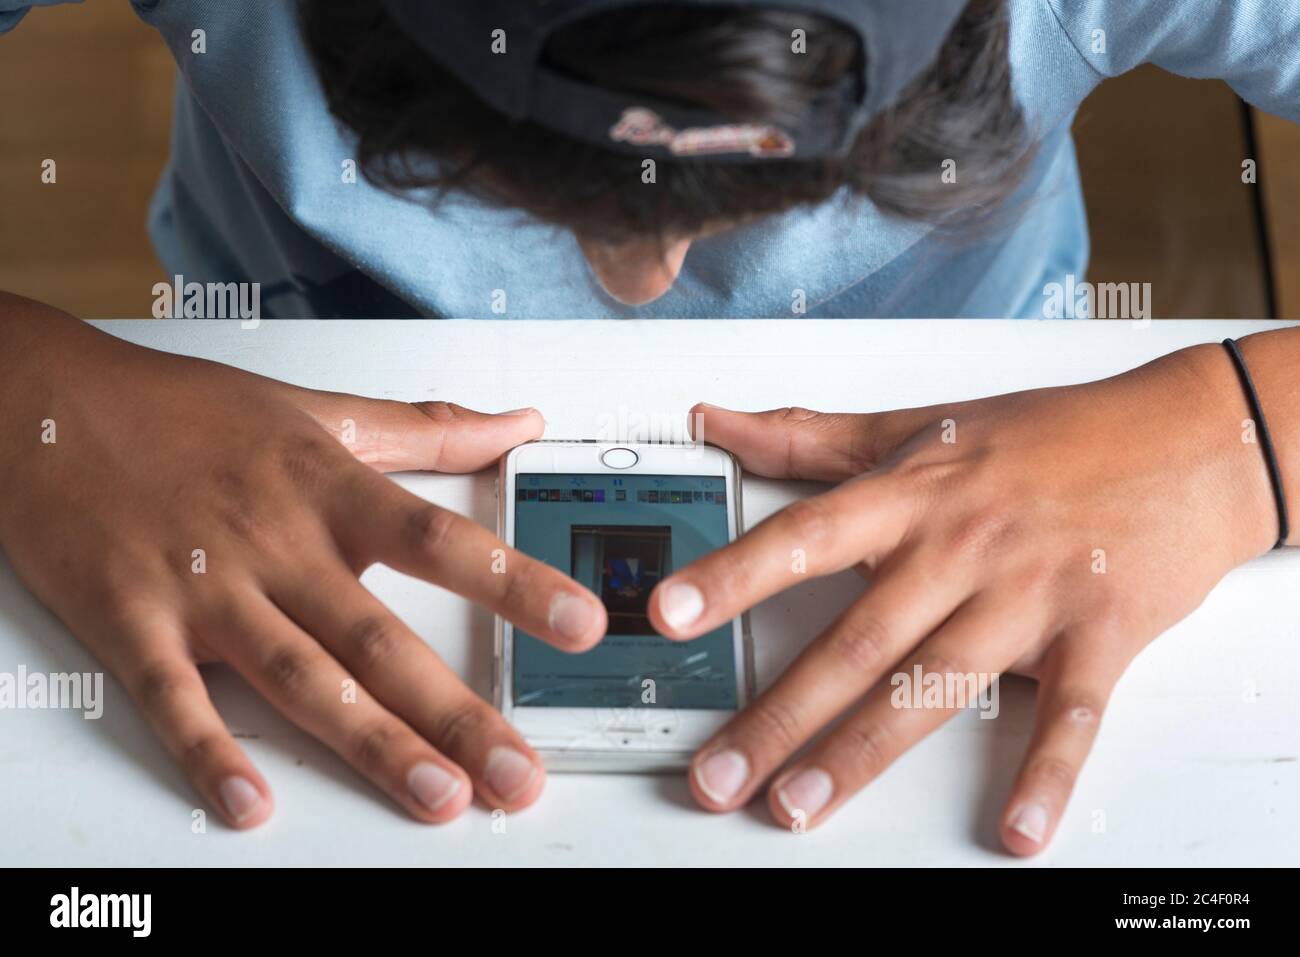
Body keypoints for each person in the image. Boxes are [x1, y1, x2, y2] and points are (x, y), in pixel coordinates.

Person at [0, 0, 1296, 856]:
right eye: (506, 180)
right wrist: (35, 401)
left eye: (772, 195)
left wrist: (1241, 438)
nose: (641, 283)